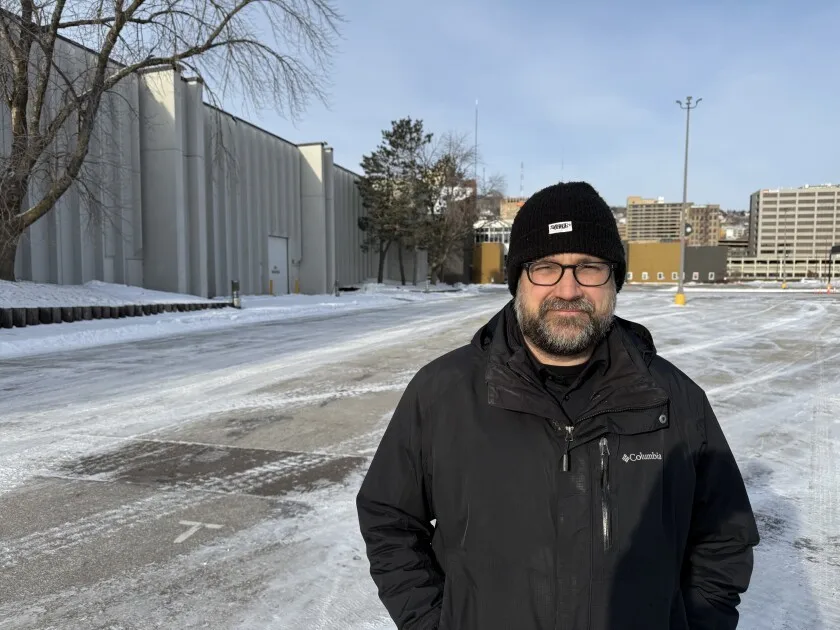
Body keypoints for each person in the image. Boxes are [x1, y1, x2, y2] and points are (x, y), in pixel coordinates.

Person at [356, 181, 760, 630]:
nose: (568, 290)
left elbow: (724, 539)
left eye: (589, 267)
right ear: (518, 281)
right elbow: (389, 518)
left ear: (614, 280)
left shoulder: (676, 401)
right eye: (546, 267)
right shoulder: (442, 394)